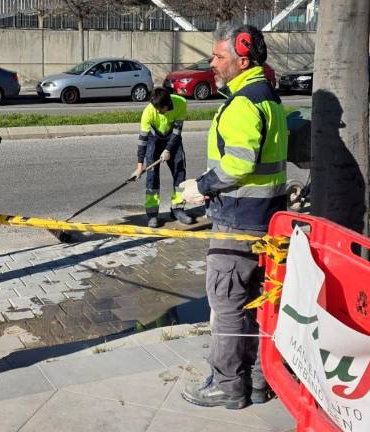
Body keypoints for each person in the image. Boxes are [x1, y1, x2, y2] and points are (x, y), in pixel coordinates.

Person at [180, 24, 287, 410]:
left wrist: (202, 186)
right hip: (267, 222)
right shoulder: (268, 97)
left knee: (226, 306)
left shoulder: (243, 103)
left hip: (238, 222)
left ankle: (227, 386)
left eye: (219, 56)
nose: (212, 63)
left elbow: (239, 163)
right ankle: (257, 380)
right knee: (257, 303)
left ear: (242, 62)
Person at [133, 87, 195, 228]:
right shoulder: (149, 111)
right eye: (155, 108)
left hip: (173, 139)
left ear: (168, 104)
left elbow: (177, 132)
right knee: (152, 176)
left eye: (160, 108)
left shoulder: (181, 103)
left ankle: (178, 209)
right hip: (153, 140)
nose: (157, 111)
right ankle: (152, 214)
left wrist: (168, 150)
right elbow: (142, 140)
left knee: (180, 172)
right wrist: (140, 165)